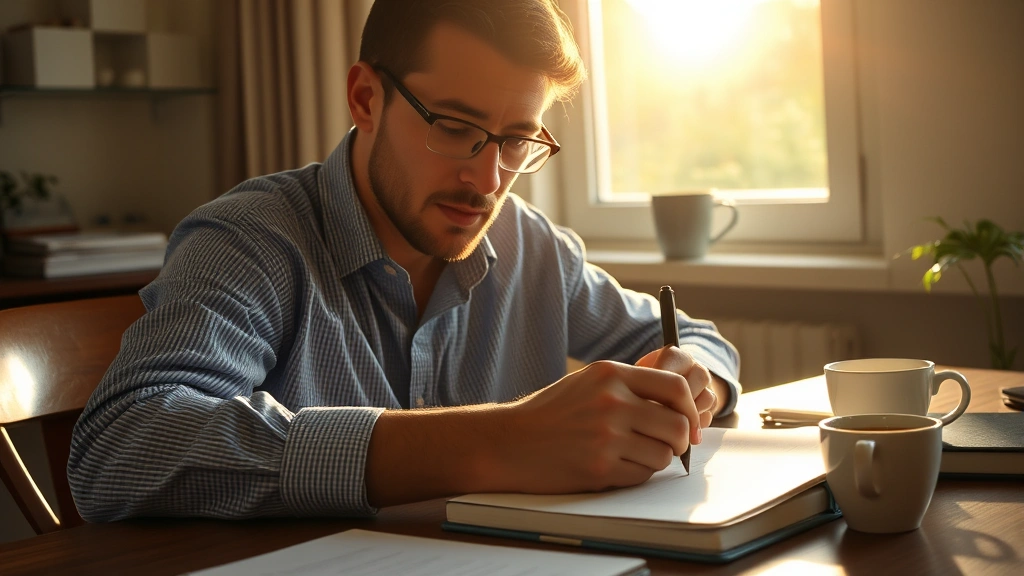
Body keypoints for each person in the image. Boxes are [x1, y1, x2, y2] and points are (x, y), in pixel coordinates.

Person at [69, 0, 740, 521]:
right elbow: (119, 449)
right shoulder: (251, 240)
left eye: (515, 140)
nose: (487, 180)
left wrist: (693, 379)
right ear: (365, 98)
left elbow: (701, 341)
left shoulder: (532, 248)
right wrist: (495, 443)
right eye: (454, 127)